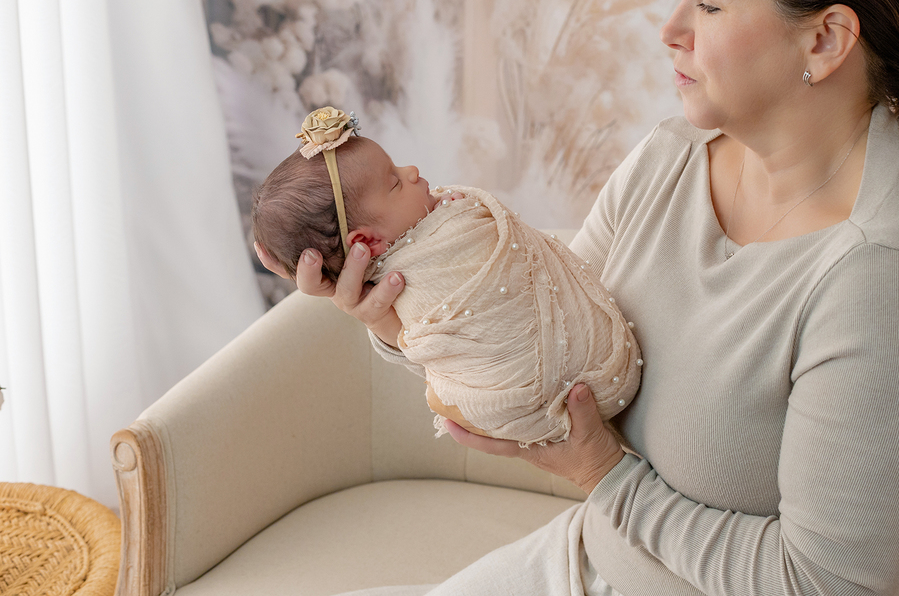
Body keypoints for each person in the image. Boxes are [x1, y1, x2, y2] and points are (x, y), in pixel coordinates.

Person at [258, 0, 899, 596]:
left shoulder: (885, 278)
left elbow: (828, 586)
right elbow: (550, 345)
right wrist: (402, 314)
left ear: (825, 40)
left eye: (708, 4)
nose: (670, 29)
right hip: (592, 565)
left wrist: (603, 474)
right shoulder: (672, 162)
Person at [252, 107, 640, 446]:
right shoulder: (407, 281)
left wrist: (458, 215)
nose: (412, 171)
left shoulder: (446, 229)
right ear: (367, 241)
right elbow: (442, 348)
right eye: (394, 182)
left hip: (588, 384)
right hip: (541, 396)